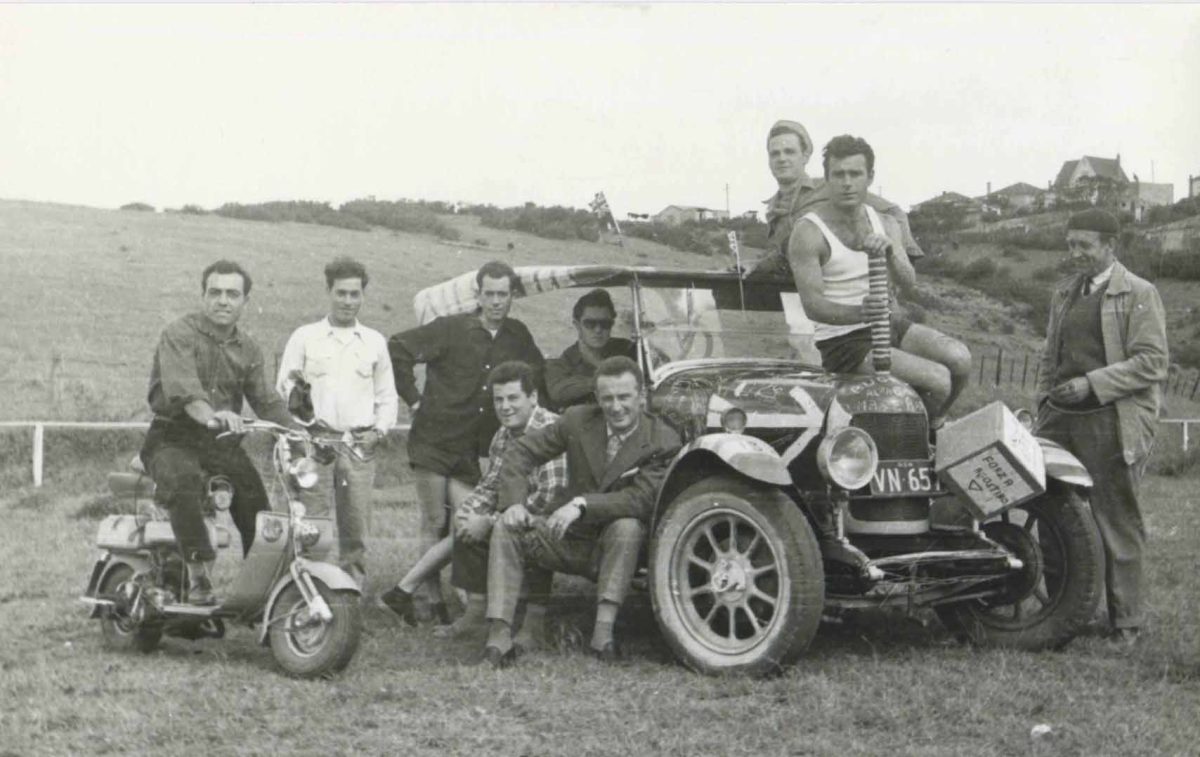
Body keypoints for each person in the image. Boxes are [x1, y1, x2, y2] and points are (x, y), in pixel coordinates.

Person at [478, 356, 682, 667]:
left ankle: (603, 634)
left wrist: (581, 504)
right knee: (507, 526)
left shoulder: (663, 439)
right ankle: (499, 636)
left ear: (641, 396)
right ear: (597, 399)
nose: (616, 407)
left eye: (624, 397)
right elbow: (521, 451)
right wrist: (514, 503)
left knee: (627, 526)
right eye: (607, 398)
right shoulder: (577, 420)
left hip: (619, 550)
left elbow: (641, 499)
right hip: (566, 538)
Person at [1035, 209, 1168, 646]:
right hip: (1060, 420)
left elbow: (1152, 362)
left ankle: (1124, 622)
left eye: (1085, 245)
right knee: (1052, 514)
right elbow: (1048, 357)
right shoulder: (1064, 294)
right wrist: (1044, 401)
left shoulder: (1139, 294)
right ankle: (1061, 613)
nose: (1075, 253)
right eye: (1070, 244)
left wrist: (1092, 384)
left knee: (1115, 519)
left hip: (1108, 420)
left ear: (1110, 246)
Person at [388, 260, 545, 623]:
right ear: (478, 294)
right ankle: (432, 602)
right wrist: (413, 399)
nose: (495, 302)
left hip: (472, 447)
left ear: (512, 296)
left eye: (502, 295)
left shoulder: (517, 336)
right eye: (488, 294)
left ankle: (421, 591)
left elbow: (537, 376)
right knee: (432, 520)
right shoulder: (452, 328)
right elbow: (397, 348)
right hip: (433, 438)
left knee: (468, 521)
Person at [380, 361, 567, 651]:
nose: (505, 407)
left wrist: (490, 520)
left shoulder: (551, 430)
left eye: (513, 398)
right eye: (498, 400)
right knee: (467, 517)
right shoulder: (503, 435)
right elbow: (490, 484)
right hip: (514, 510)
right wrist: (470, 512)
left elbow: (548, 498)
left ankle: (533, 621)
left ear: (533, 398)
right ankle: (476, 613)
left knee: (503, 527)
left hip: (555, 519)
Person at [787, 135, 972, 426]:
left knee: (960, 359)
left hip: (888, 324)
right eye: (839, 174)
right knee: (938, 380)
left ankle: (933, 426)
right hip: (843, 343)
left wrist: (890, 253)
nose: (847, 182)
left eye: (855, 174)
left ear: (869, 177)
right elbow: (813, 306)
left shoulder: (885, 222)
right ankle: (918, 439)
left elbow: (908, 281)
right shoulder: (808, 232)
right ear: (826, 178)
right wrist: (863, 312)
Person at [141, 260, 295, 605]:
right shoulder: (179, 334)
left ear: (245, 301)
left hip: (220, 444)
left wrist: (299, 431)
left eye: (232, 294)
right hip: (172, 437)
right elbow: (185, 392)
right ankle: (198, 577)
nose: (223, 300)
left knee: (257, 505)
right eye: (215, 292)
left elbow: (266, 400)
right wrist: (213, 416)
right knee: (184, 484)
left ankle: (264, 589)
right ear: (203, 296)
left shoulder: (250, 349)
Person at [276, 257, 398, 586]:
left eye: (354, 294)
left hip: (359, 446)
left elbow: (387, 396)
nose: (347, 301)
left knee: (355, 527)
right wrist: (306, 427)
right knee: (313, 524)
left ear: (363, 296)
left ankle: (350, 596)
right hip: (315, 444)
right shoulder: (305, 337)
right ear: (328, 291)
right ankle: (306, 591)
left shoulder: (374, 342)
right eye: (341, 293)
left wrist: (379, 431)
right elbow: (284, 387)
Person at [751, 119, 923, 278]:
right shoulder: (774, 209)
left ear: (805, 155)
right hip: (797, 294)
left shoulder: (831, 186)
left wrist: (901, 256)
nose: (782, 159)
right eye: (775, 154)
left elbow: (894, 212)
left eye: (789, 152)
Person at [544, 288, 636, 410]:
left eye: (605, 324)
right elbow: (558, 392)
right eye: (590, 324)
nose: (598, 330)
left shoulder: (627, 349)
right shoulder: (563, 363)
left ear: (612, 324)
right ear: (577, 325)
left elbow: (658, 368)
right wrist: (607, 379)